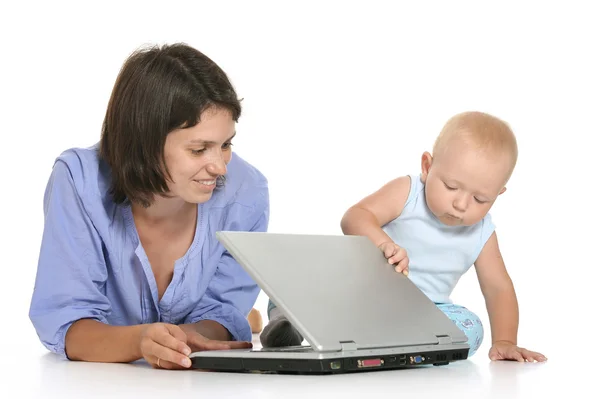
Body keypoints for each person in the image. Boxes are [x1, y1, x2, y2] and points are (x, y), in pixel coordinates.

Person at [29, 43, 269, 370]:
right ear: (145, 142)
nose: (219, 167)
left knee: (240, 313)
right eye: (199, 150)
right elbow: (67, 321)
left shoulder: (247, 191)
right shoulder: (78, 180)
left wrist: (190, 334)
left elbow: (222, 313)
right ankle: (256, 316)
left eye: (226, 144)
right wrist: (141, 341)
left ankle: (260, 314)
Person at [340, 111, 546, 361]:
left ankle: (398, 346)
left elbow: (498, 288)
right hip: (372, 299)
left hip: (428, 315)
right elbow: (355, 216)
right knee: (317, 287)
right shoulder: (409, 194)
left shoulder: (481, 231)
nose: (461, 204)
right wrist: (384, 244)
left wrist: (505, 340)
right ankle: (291, 327)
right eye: (451, 186)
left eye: (480, 199)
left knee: (470, 327)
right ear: (427, 167)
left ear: (497, 195)